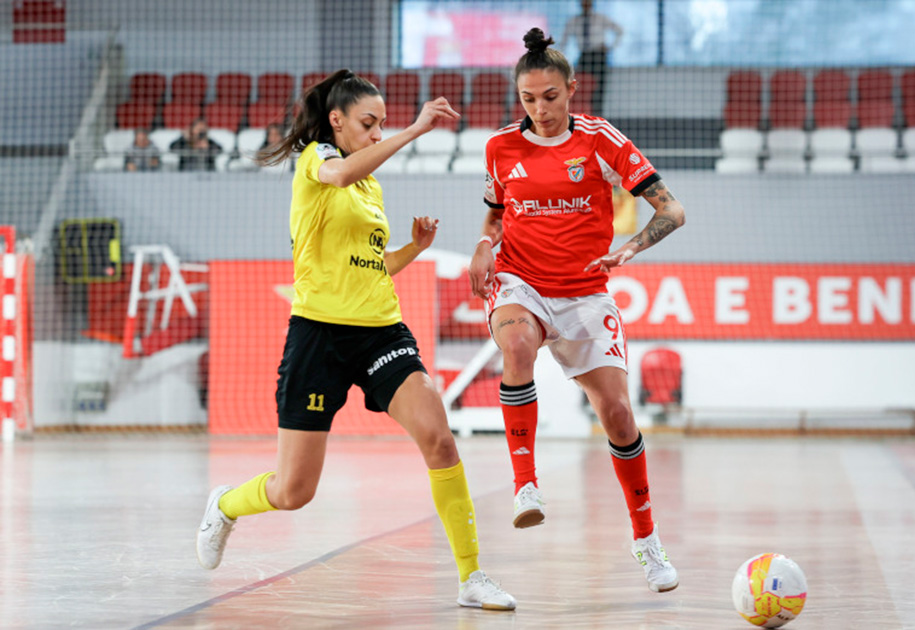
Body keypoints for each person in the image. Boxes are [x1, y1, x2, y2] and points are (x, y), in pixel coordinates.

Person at [196, 70, 516, 611]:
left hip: (380, 331)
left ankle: (471, 576)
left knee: (439, 438)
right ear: (337, 121)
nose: (377, 133)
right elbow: (340, 173)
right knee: (293, 491)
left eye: (383, 125)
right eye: (369, 123)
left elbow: (373, 265)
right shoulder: (317, 162)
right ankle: (226, 505)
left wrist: (414, 249)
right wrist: (416, 129)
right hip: (319, 335)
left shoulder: (371, 186)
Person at [468, 29, 686, 593]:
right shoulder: (500, 147)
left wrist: (631, 246)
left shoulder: (600, 139)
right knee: (518, 346)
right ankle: (525, 485)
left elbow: (672, 209)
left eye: (550, 97)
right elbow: (496, 213)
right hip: (520, 281)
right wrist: (484, 245)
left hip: (586, 291)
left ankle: (646, 540)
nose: (539, 109)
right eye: (528, 99)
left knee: (617, 414)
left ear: (571, 90)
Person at [560, 0, 622, 116]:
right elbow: (564, 42)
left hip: (599, 56)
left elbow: (619, 30)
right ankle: (583, 116)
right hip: (584, 56)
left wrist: (610, 47)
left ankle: (597, 117)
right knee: (580, 87)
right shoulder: (574, 21)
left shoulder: (600, 18)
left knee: (599, 89)